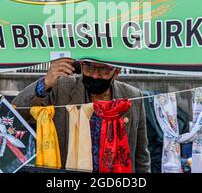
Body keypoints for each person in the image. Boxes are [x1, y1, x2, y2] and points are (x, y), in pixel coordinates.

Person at [12, 58, 151, 173]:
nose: (95, 75)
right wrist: (45, 83)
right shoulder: (62, 88)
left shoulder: (133, 96)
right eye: (89, 67)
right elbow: (14, 115)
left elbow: (141, 156)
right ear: (81, 65)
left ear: (117, 71)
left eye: (103, 69)